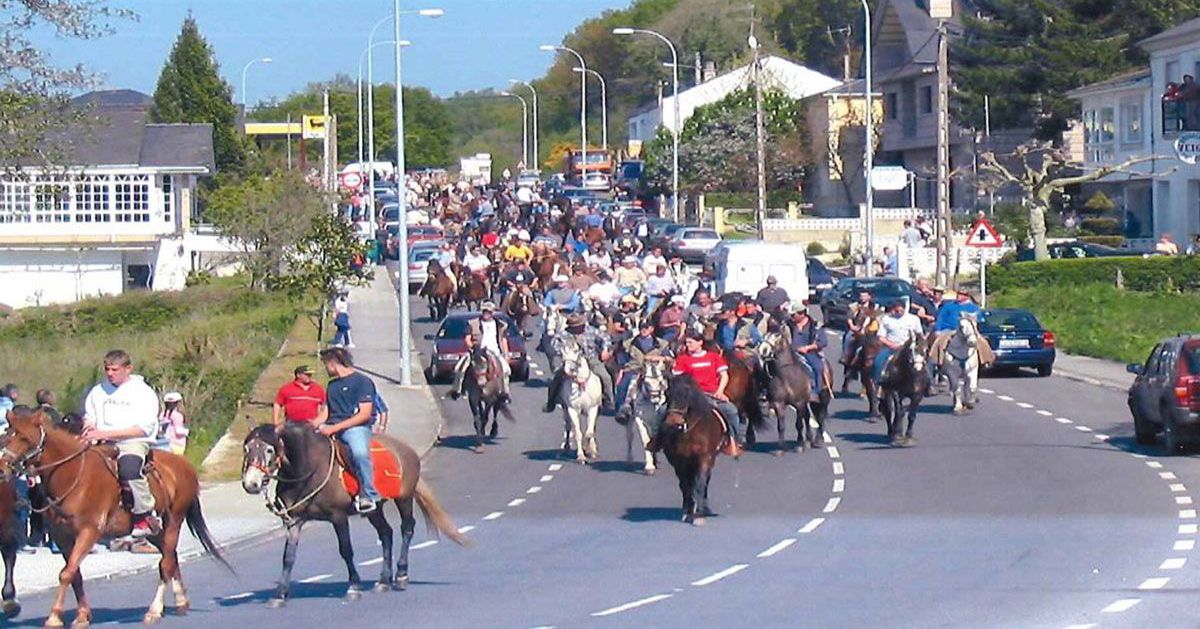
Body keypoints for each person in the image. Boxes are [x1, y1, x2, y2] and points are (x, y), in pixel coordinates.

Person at [81, 350, 162, 537]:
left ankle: (145, 515)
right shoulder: (98, 392)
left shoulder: (142, 392)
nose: (110, 374)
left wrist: (106, 433)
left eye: (115, 370)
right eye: (107, 369)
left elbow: (143, 428)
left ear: (128, 369)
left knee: (128, 469)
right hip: (102, 441)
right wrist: (90, 426)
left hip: (132, 441)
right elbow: (89, 416)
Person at [319, 347, 381, 514]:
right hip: (332, 426)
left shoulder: (362, 382)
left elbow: (364, 414)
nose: (326, 369)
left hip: (355, 428)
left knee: (359, 453)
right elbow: (326, 412)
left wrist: (334, 428)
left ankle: (369, 494)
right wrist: (309, 426)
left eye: (326, 365)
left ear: (332, 363)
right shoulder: (332, 386)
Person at [670, 331, 743, 454]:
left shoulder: (713, 357)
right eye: (686, 342)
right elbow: (677, 379)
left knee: (732, 411)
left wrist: (720, 392)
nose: (687, 345)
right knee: (664, 412)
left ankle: (734, 440)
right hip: (690, 396)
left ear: (700, 343)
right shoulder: (683, 359)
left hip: (711, 393)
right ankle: (659, 441)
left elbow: (724, 375)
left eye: (690, 342)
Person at [543, 313, 614, 412]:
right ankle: (551, 403)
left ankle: (608, 401)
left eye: (579, 326)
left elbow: (606, 338)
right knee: (557, 378)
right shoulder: (564, 334)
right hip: (572, 360)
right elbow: (554, 345)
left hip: (590, 359)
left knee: (605, 376)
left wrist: (605, 350)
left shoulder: (591, 330)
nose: (577, 329)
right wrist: (563, 352)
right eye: (574, 327)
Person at [449, 301, 512, 402]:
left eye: (489, 312)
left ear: (493, 312)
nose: (486, 313)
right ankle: (457, 390)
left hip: (494, 351)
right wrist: (472, 347)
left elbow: (503, 340)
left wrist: (506, 354)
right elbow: (467, 338)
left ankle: (504, 393)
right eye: (484, 311)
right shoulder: (472, 323)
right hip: (477, 351)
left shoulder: (500, 325)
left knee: (505, 370)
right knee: (459, 368)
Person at [615, 319, 673, 422]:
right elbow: (622, 359)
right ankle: (624, 407)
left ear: (651, 329)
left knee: (670, 384)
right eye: (641, 327)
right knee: (626, 384)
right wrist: (621, 370)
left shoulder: (661, 343)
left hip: (655, 370)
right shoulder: (629, 343)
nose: (643, 330)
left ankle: (670, 408)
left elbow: (670, 359)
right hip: (635, 369)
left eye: (646, 327)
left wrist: (659, 358)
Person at [874, 300, 925, 382]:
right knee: (878, 362)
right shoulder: (886, 319)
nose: (899, 313)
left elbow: (920, 334)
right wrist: (891, 344)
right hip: (892, 347)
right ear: (893, 309)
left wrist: (920, 346)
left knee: (922, 363)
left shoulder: (914, 319)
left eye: (902, 311)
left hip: (909, 347)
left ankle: (929, 384)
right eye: (897, 311)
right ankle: (878, 383)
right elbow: (880, 336)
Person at [787, 304, 828, 400]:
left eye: (794, 315)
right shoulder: (788, 325)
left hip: (809, 353)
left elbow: (823, 342)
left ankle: (815, 391)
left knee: (817, 367)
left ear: (802, 314)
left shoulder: (816, 326)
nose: (792, 317)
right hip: (790, 353)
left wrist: (808, 347)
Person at [273, 365, 327, 430]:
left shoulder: (318, 389)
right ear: (298, 375)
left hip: (311, 426)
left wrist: (318, 421)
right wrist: (276, 422)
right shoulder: (287, 388)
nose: (309, 376)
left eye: (310, 374)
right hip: (291, 425)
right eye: (306, 374)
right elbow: (277, 404)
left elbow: (325, 407)